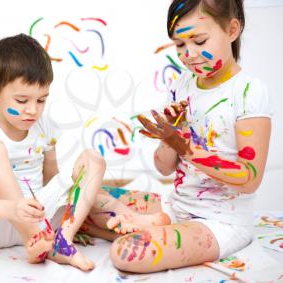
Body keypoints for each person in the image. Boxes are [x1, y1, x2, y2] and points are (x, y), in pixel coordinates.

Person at [87, 0, 272, 272]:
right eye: (180, 45)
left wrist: (183, 146)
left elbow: (249, 178)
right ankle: (154, 222)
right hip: (175, 206)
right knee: (78, 199)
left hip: (220, 223)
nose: (189, 54)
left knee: (127, 253)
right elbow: (164, 167)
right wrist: (169, 136)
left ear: (232, 30)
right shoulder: (181, 85)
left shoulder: (247, 91)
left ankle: (148, 225)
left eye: (199, 41)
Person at [0, 33, 106, 271]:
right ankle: (32, 239)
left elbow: (50, 180)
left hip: (38, 220)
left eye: (41, 100)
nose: (33, 111)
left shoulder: (44, 127)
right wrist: (12, 208)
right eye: (22, 100)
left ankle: (62, 241)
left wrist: (66, 204)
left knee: (93, 160)